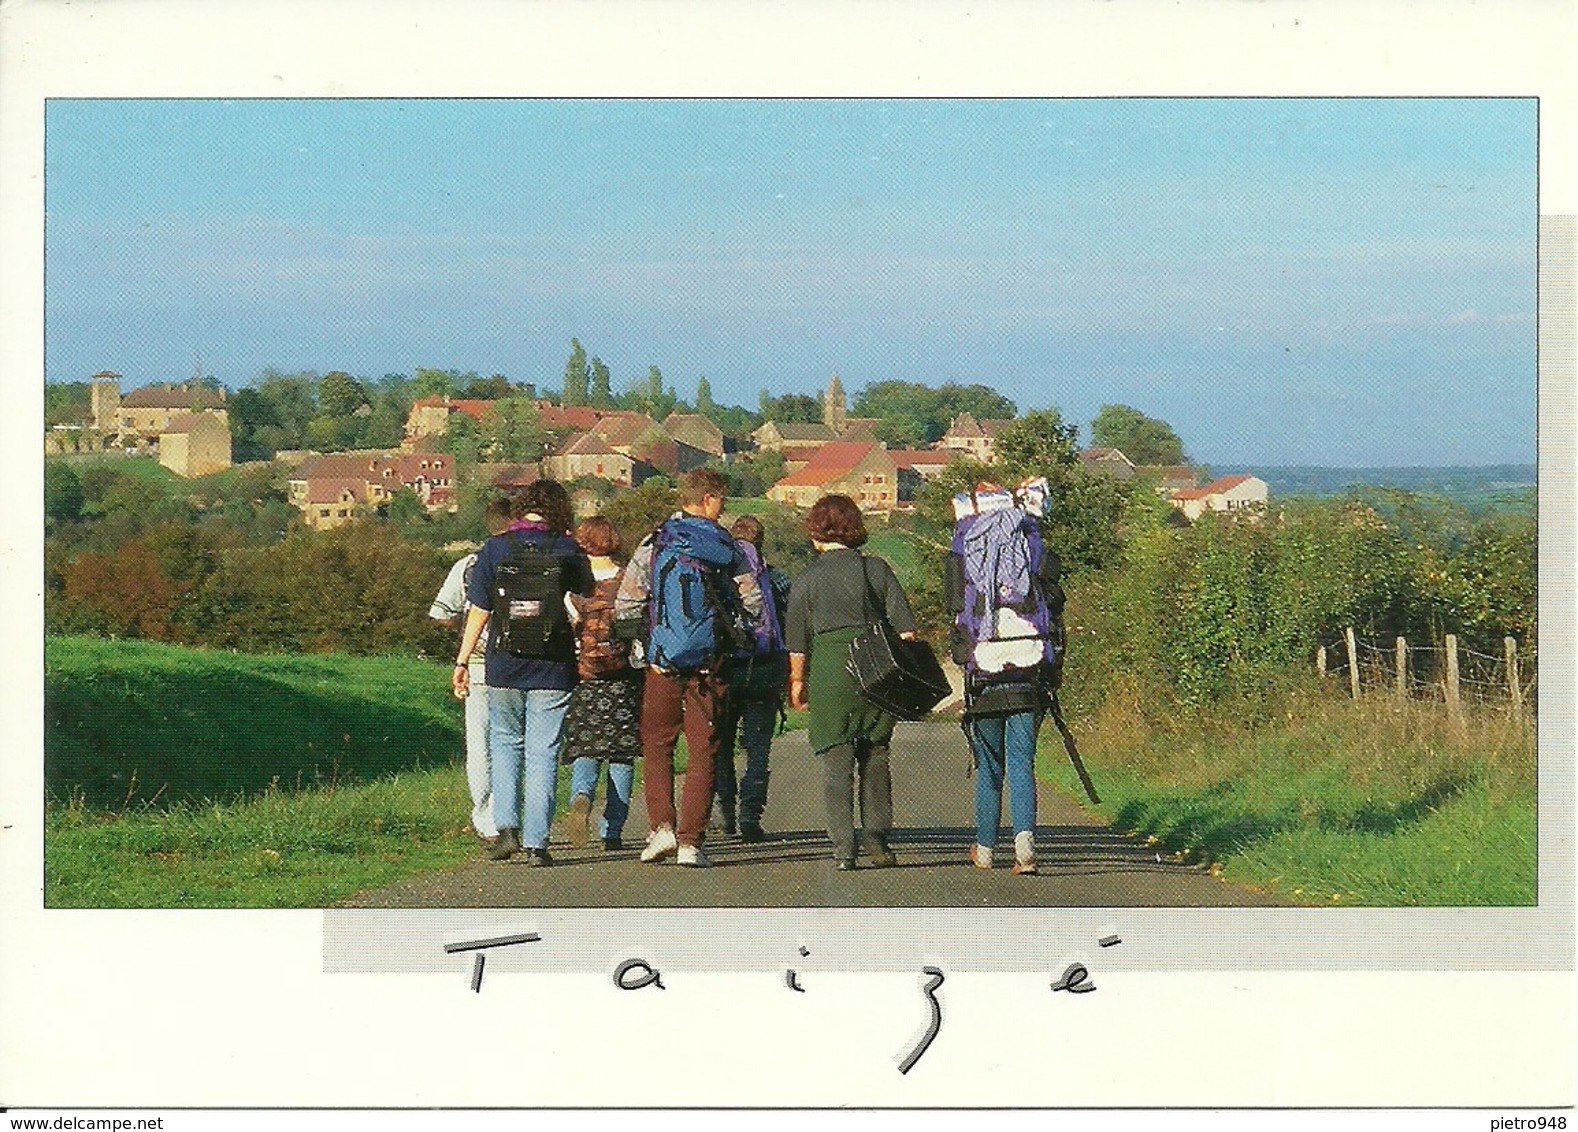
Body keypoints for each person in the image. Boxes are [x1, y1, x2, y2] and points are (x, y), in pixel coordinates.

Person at [615, 468, 762, 868]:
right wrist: (730, 636)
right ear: (709, 499)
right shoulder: (725, 546)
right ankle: (691, 843)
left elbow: (627, 604)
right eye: (722, 501)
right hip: (708, 666)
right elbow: (753, 604)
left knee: (657, 745)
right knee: (704, 751)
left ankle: (661, 827)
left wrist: (650, 646)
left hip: (662, 663)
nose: (724, 508)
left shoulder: (655, 542)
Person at [453, 480, 594, 865]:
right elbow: (586, 600)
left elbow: (479, 609)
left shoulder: (496, 548)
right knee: (543, 753)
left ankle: (507, 831)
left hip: (504, 663)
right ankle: (537, 843)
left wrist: (463, 660)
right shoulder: (568, 549)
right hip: (554, 665)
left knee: (504, 746)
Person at [784, 494, 916, 871]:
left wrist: (797, 682)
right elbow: (906, 630)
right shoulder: (877, 570)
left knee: (835, 762)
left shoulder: (806, 579)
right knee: (876, 757)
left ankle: (843, 848)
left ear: (816, 532)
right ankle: (877, 840)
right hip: (874, 669)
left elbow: (797, 641)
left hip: (829, 671)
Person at [947, 481, 1065, 875]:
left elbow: (955, 603)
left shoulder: (965, 539)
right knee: (1021, 762)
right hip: (1029, 662)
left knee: (990, 765)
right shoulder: (1030, 538)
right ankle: (1026, 847)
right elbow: (1054, 597)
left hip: (983, 665)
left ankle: (983, 850)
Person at [428, 496, 513, 842]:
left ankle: (486, 819)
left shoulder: (467, 565)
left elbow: (440, 614)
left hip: (477, 665)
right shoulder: (534, 559)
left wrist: (466, 627)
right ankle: (517, 814)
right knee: (515, 742)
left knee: (480, 746)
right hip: (523, 665)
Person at [561, 515, 641, 851]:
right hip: (623, 680)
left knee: (586, 750)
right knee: (622, 756)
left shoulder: (574, 586)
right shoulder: (627, 582)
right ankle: (613, 830)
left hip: (584, 680)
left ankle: (581, 796)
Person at [711, 515, 791, 843]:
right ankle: (750, 816)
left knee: (723, 745)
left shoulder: (719, 577)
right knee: (758, 749)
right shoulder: (778, 580)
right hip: (765, 669)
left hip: (727, 669)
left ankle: (726, 811)